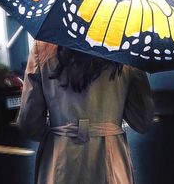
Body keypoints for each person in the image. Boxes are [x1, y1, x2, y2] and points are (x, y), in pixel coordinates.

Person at [16, 40, 155, 184]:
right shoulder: (125, 47)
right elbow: (143, 121)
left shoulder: (43, 46)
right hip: (110, 163)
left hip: (60, 162)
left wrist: (58, 134)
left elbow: (28, 123)